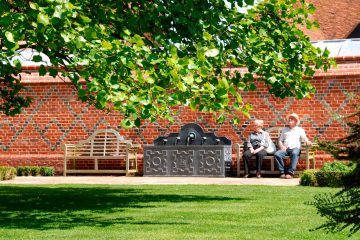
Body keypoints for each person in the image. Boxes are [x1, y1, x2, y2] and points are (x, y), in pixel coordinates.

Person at [274, 113, 312, 179]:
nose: (290, 120)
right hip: (286, 149)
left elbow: (305, 138)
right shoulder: (284, 129)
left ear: (296, 121)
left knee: (294, 153)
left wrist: (307, 141)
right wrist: (282, 146)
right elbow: (280, 140)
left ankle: (290, 173)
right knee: (277, 154)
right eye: (289, 118)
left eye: (292, 119)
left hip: (295, 148)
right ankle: (282, 172)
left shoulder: (300, 130)